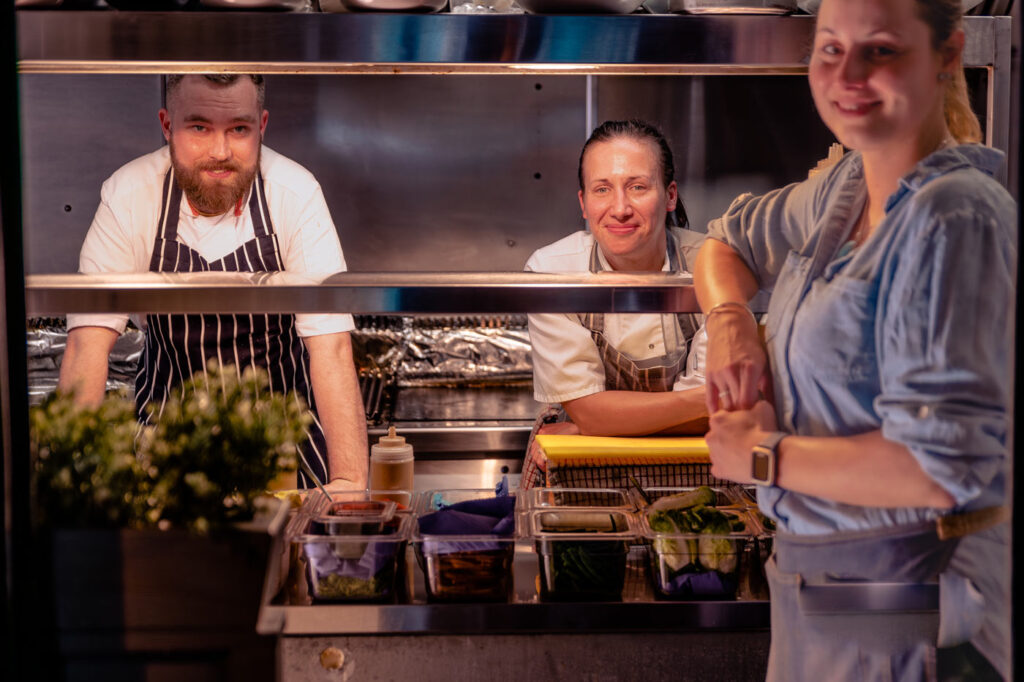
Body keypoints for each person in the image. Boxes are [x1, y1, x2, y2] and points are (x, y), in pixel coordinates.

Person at [693, 0, 1015, 679]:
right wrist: (732, 324)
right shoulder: (845, 188)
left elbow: (938, 468)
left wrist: (760, 457)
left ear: (948, 55)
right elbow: (724, 241)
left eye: (881, 51)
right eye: (830, 49)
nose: (848, 75)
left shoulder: (954, 218)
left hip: (915, 599)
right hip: (821, 588)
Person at [58, 74, 368, 492]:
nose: (219, 153)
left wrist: (349, 482)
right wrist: (72, 487)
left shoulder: (295, 193)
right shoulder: (130, 194)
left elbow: (330, 347)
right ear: (167, 125)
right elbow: (86, 346)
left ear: (262, 125)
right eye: (199, 127)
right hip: (163, 457)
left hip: (286, 456)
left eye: (239, 129)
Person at [521, 120, 709, 489]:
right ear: (584, 204)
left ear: (670, 196)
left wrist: (593, 426)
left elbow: (720, 415)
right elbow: (716, 406)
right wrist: (589, 419)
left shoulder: (713, 264)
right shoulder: (552, 271)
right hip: (578, 467)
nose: (620, 208)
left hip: (691, 471)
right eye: (602, 189)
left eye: (637, 187)